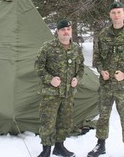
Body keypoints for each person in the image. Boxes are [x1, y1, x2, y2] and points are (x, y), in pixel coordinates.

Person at [87, 1, 124, 157]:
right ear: (110, 15)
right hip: (106, 85)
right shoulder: (103, 34)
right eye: (113, 13)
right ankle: (100, 145)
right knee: (103, 116)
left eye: (119, 12)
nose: (116, 15)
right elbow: (97, 58)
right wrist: (101, 70)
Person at [35, 19, 85, 157]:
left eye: (68, 29)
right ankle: (46, 150)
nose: (66, 31)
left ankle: (59, 147)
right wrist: (50, 79)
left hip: (68, 93)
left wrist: (77, 79)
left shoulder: (76, 48)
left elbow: (81, 67)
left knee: (65, 121)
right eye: (63, 29)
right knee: (48, 121)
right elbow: (38, 66)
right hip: (51, 93)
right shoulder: (48, 47)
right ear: (58, 32)